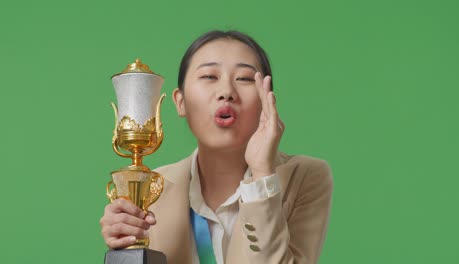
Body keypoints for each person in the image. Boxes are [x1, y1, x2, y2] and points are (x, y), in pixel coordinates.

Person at [100, 30, 333, 264]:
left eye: (244, 78)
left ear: (266, 100)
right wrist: (125, 248)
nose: (226, 93)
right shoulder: (150, 189)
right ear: (180, 102)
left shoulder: (305, 176)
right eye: (209, 76)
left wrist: (262, 175)